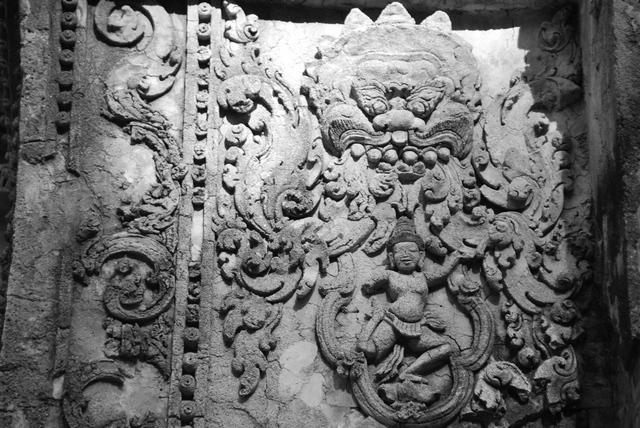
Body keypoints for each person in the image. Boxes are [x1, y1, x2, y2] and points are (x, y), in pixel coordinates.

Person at [358, 216, 464, 384]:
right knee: (368, 351)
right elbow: (370, 282)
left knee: (445, 348)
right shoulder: (390, 275)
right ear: (392, 257)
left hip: (417, 327)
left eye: (411, 251)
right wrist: (371, 288)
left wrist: (456, 256)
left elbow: (442, 273)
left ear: (421, 256)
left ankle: (408, 372)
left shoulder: (424, 277)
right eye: (400, 251)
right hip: (392, 322)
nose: (406, 255)